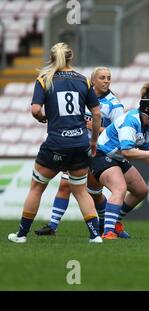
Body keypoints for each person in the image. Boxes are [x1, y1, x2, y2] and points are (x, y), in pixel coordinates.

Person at [7, 42, 102, 243]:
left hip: (56, 144)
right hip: (79, 145)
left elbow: (35, 109)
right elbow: (96, 113)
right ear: (71, 57)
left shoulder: (45, 79)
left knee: (37, 187)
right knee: (80, 190)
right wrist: (93, 141)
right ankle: (95, 236)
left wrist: (42, 118)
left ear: (51, 58)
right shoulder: (84, 81)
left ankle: (22, 235)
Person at [34, 67, 125, 237]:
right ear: (93, 80)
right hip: (77, 147)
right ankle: (52, 226)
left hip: (99, 151)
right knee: (64, 185)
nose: (106, 81)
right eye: (102, 78)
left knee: (96, 194)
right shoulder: (81, 95)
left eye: (109, 78)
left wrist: (96, 127)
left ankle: (106, 225)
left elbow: (120, 133)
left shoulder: (115, 105)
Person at [90, 82, 149, 240]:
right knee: (119, 189)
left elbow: (145, 153)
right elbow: (128, 151)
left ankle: (114, 223)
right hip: (101, 155)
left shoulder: (146, 125)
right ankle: (107, 232)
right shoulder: (131, 121)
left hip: (116, 157)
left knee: (141, 190)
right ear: (148, 109)